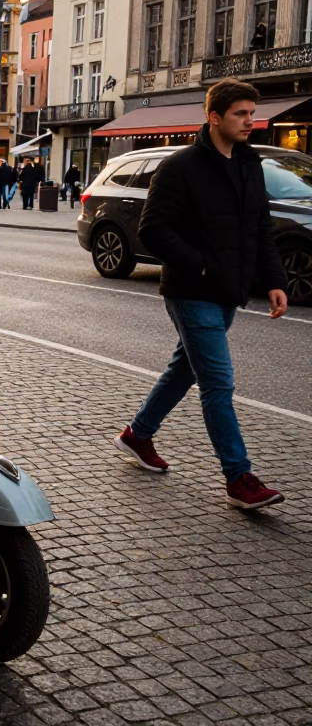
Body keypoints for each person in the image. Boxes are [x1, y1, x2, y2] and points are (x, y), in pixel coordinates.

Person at [114, 78, 289, 510]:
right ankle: (239, 478)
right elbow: (152, 229)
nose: (251, 121)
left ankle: (137, 435)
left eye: (252, 112)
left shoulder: (249, 164)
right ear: (214, 117)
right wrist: (203, 264)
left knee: (184, 370)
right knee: (217, 383)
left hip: (229, 291)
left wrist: (275, 280)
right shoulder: (180, 167)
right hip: (192, 290)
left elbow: (260, 229)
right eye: (241, 114)